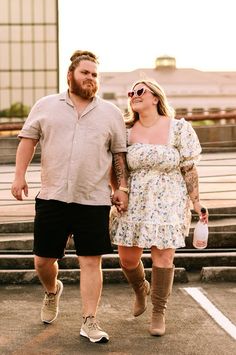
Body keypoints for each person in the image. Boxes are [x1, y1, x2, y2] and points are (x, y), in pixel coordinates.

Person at [11, 50, 129, 344]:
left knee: (91, 261)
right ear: (70, 75)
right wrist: (19, 176)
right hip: (52, 197)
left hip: (93, 200)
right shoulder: (46, 105)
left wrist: (121, 189)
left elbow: (118, 156)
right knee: (42, 261)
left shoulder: (111, 113)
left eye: (94, 74)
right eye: (85, 73)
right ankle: (53, 291)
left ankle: (90, 320)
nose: (90, 78)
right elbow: (28, 141)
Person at [110, 79, 208, 337]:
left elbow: (188, 167)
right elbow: (116, 165)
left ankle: (158, 311)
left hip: (169, 201)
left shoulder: (179, 129)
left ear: (156, 97)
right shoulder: (125, 130)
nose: (134, 95)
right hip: (135, 201)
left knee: (163, 257)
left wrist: (196, 200)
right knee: (127, 258)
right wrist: (118, 191)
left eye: (140, 90)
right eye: (131, 92)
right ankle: (141, 288)